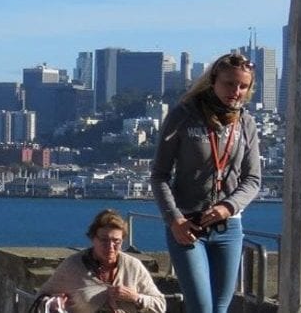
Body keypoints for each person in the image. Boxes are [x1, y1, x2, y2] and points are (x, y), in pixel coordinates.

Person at [149, 52, 262, 313]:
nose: (236, 91)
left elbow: (253, 179)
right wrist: (174, 219)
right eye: (229, 84)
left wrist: (229, 207)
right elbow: (159, 175)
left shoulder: (246, 123)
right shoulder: (183, 115)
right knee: (201, 307)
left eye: (243, 86)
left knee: (220, 308)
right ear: (213, 81)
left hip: (228, 227)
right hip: (187, 225)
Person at [36, 210, 167, 313]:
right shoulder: (73, 266)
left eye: (116, 241)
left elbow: (161, 305)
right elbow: (40, 298)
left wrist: (135, 297)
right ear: (93, 238)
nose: (110, 247)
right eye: (104, 240)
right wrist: (53, 303)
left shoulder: (133, 266)